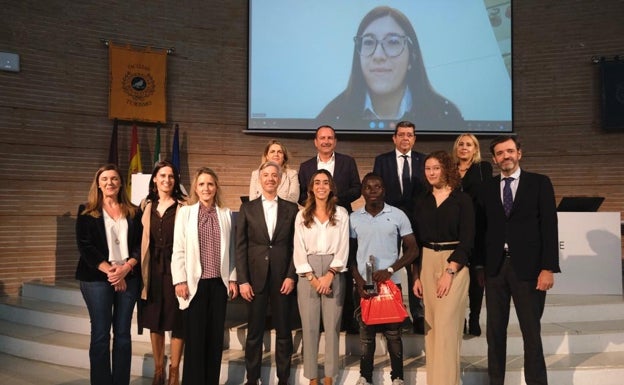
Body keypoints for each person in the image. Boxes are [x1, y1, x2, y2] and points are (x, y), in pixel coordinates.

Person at [476, 136, 560, 385]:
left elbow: (549, 227)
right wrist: (480, 266)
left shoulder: (540, 183)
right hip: (495, 269)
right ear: (494, 159)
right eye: (500, 153)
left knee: (531, 333)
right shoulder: (487, 187)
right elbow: (482, 230)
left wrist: (548, 268)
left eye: (510, 151)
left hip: (530, 270)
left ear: (520, 153)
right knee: (495, 334)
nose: (506, 156)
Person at [317, 6, 463, 131]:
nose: (378, 55)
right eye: (368, 42)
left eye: (393, 42)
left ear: (412, 57)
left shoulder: (444, 115)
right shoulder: (331, 117)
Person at [170, 167, 238, 385]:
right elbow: (178, 248)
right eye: (201, 184)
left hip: (219, 285)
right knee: (196, 341)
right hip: (193, 285)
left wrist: (233, 278)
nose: (206, 188)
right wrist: (179, 280)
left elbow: (232, 251)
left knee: (215, 340)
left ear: (216, 187)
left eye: (210, 184)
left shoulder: (226, 214)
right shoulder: (185, 213)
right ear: (195, 188)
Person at [75, 164, 142, 385]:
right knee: (101, 334)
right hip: (96, 278)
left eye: (114, 178)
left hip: (128, 276)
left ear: (121, 183)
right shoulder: (86, 211)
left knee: (123, 334)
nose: (109, 183)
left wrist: (125, 269)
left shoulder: (134, 211)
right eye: (104, 179)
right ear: (98, 183)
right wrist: (112, 272)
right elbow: (85, 247)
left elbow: (140, 246)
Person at [412, 151, 474, 385]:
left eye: (436, 168)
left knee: (447, 328)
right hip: (427, 261)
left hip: (454, 263)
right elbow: (416, 242)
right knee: (432, 331)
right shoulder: (421, 200)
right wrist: (416, 276)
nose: (431, 172)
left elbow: (468, 240)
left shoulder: (462, 200)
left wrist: (449, 272)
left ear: (446, 169)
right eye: (428, 168)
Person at [349, 173, 418, 385]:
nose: (372, 191)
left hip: (390, 283)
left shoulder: (397, 215)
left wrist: (390, 269)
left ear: (384, 190)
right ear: (362, 191)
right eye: (368, 187)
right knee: (366, 335)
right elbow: (349, 255)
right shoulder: (353, 219)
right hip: (363, 284)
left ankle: (397, 377)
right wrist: (359, 281)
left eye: (377, 187)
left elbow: (413, 250)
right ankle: (365, 376)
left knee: (393, 335)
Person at [236, 161, 299, 385]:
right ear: (259, 179)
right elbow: (240, 247)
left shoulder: (292, 209)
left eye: (274, 175)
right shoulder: (247, 208)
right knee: (254, 334)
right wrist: (242, 280)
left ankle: (284, 378)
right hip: (254, 279)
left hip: (283, 279)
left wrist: (292, 275)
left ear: (280, 179)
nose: (270, 179)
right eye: (266, 175)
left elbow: (296, 247)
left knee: (283, 333)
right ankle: (252, 378)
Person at [298, 124, 361, 333]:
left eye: (330, 138)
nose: (326, 141)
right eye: (322, 138)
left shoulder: (347, 162)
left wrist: (332, 200)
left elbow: (356, 188)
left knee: (346, 270)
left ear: (335, 141)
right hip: (315, 219)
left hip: (340, 219)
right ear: (316, 142)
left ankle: (346, 320)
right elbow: (301, 194)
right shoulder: (306, 166)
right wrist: (318, 201)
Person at [293, 170, 349, 385]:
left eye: (325, 182)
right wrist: (312, 277)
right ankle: (312, 378)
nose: (321, 186)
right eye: (317, 182)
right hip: (309, 272)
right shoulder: (302, 215)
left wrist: (330, 276)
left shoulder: (341, 213)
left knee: (332, 327)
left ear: (331, 187)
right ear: (311, 188)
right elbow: (298, 248)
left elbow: (344, 246)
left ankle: (328, 378)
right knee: (309, 328)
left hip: (334, 271)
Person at [373, 120, 426, 334]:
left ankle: (419, 314)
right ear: (394, 138)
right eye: (402, 134)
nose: (406, 138)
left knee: (415, 267)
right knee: (390, 266)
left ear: (414, 138)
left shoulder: (423, 160)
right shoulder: (382, 160)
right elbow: (376, 191)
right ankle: (395, 312)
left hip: (417, 222)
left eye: (410, 134)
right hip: (389, 221)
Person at [138, 160, 187, 385]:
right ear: (155, 179)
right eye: (162, 176)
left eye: (171, 176)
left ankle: (174, 371)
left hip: (175, 268)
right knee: (154, 319)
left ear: (175, 180)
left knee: (177, 320)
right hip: (151, 270)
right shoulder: (145, 205)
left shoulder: (184, 206)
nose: (166, 180)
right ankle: (159, 370)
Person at [452, 133, 493, 337]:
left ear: (475, 149)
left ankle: (475, 316)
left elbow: (485, 194)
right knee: (456, 273)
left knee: (477, 274)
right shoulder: (449, 169)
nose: (464, 147)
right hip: (454, 227)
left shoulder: (483, 168)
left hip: (477, 226)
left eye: (469, 144)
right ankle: (459, 317)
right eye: (461, 144)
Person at [249, 139, 300, 203]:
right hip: (260, 211)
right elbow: (252, 199)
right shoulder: (256, 174)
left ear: (284, 157)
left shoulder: (292, 174)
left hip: (284, 211)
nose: (276, 154)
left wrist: (274, 207)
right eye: (272, 151)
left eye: (280, 152)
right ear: (267, 156)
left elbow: (293, 198)